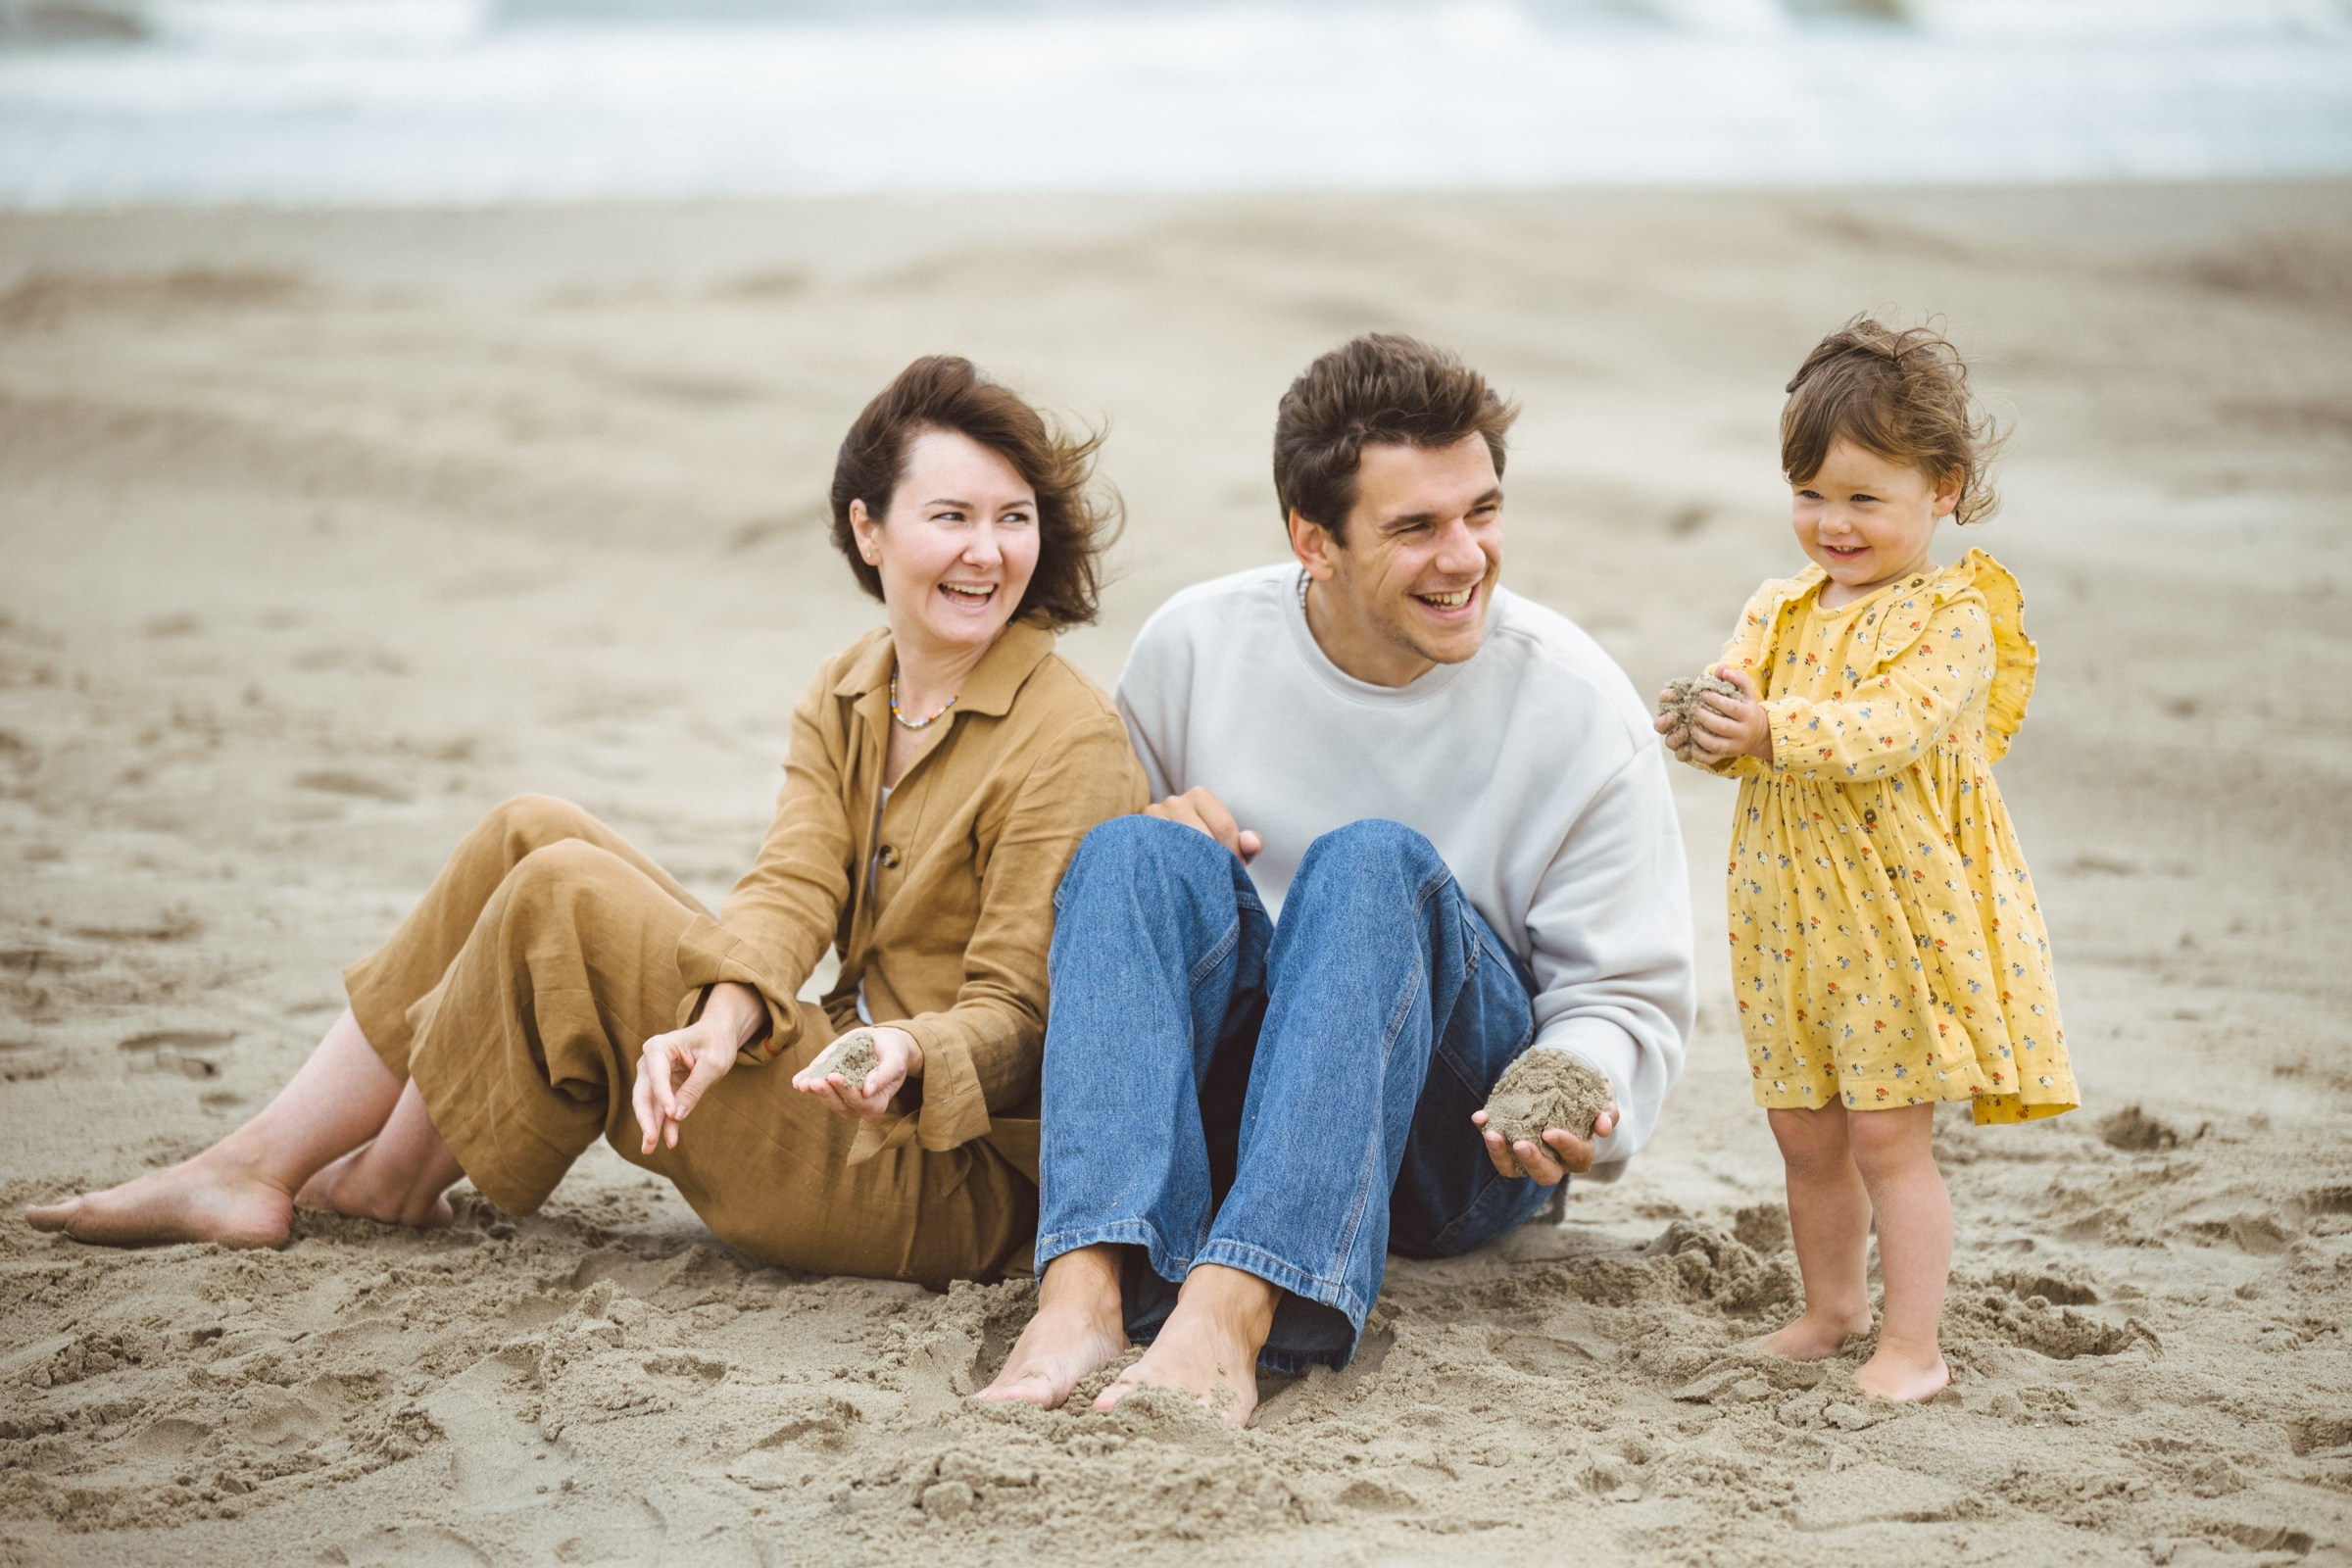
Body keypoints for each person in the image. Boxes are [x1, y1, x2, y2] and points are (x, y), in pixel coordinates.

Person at [28, 356, 1148, 1286]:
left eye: (1013, 519)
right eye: (950, 516)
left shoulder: (1068, 739)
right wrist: (719, 1024)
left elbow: (1024, 1022)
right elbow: (790, 887)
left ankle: (369, 1179)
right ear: (868, 531)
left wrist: (896, 1048)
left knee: (567, 894)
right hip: (825, 1073)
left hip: (938, 1169)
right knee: (531, 828)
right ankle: (301, 1167)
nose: (987, 552)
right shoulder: (852, 684)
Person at [977, 333, 1695, 1425]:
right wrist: (1154, 825)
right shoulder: (1193, 649)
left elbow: (1627, 1002)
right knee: (1130, 848)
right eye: (1416, 527)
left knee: (1373, 863)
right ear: (1314, 539)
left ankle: (1232, 1312)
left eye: (1482, 511)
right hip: (1240, 1122)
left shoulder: (1578, 707)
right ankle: (1084, 1295)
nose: (1466, 558)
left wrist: (1570, 1084)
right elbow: (1121, 951)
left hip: (1453, 1148)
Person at [1656, 317, 2078, 1401]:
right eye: (1809, 494)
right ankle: (1831, 1308)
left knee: (1889, 1136)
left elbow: (1889, 728)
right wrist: (1707, 723)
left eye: (1861, 496)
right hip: (1785, 910)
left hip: (1895, 915)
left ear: (1940, 488)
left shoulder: (1951, 616)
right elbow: (1746, 720)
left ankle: (1913, 1345)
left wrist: (1768, 731)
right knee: (1804, 1131)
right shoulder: (1776, 605)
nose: (1830, 524)